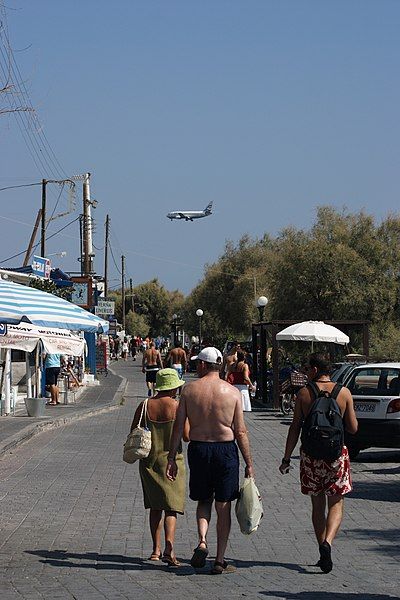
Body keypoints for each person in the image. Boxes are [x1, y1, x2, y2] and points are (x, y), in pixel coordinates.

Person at [166, 347, 254, 575]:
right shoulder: (232, 392)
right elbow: (241, 431)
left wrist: (172, 456)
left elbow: (178, 426)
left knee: (204, 500)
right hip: (225, 450)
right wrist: (249, 463)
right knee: (223, 505)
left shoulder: (189, 391)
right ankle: (220, 559)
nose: (196, 367)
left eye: (198, 364)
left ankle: (203, 541)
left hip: (199, 449)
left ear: (204, 365)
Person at [279, 353, 358, 574]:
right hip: (336, 457)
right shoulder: (343, 392)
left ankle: (320, 546)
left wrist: (286, 458)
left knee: (317, 505)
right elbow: (353, 428)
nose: (305, 372)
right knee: (336, 503)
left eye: (307, 369)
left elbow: (295, 427)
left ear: (315, 370)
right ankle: (328, 543)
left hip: (311, 457)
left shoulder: (304, 393)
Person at [130, 368, 189, 566]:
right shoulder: (177, 406)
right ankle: (169, 548)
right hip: (173, 462)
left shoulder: (145, 405)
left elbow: (133, 430)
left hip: (149, 462)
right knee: (171, 508)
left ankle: (155, 550)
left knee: (155, 507)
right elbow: (187, 436)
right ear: (173, 388)